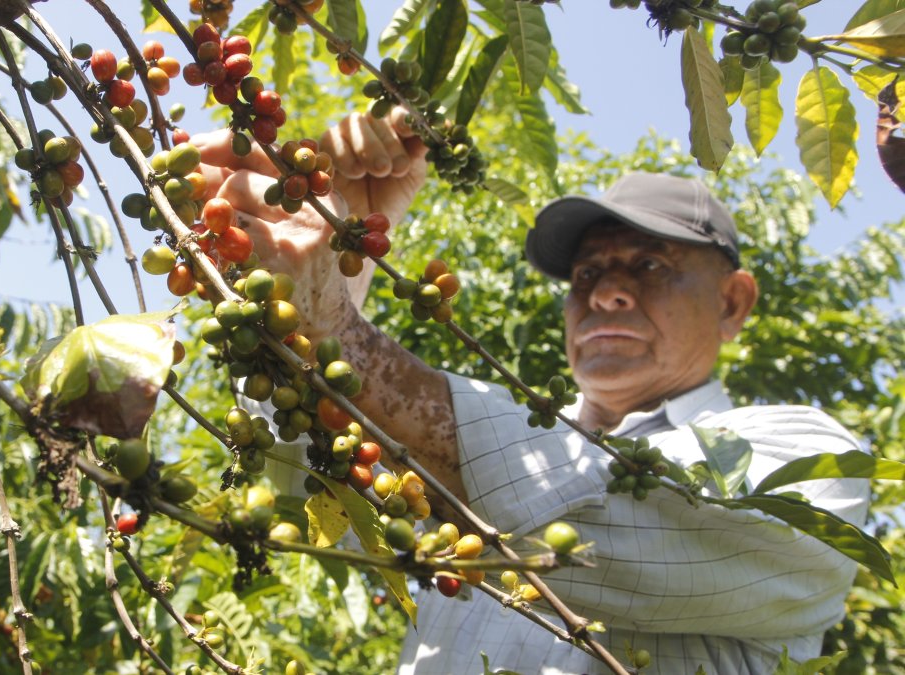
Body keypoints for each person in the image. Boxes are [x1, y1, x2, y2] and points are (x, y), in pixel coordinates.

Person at [194, 110, 869, 674]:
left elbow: (581, 527)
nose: (606, 290)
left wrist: (333, 323)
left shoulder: (807, 464)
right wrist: (341, 257)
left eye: (650, 265)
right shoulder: (511, 431)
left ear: (732, 302)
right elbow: (295, 467)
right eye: (588, 273)